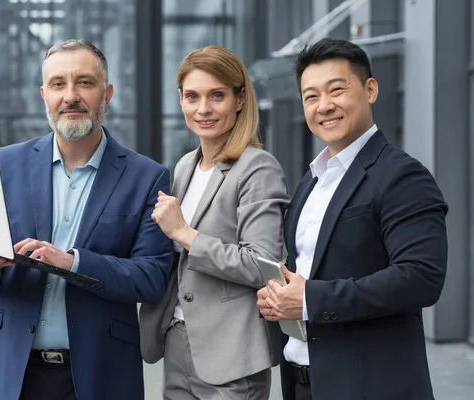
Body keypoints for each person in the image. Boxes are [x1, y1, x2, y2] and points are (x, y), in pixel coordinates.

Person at [0, 39, 172, 400]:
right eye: (58, 84)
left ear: (107, 93)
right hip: (6, 369)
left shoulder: (147, 177)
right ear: (44, 95)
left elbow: (152, 277)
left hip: (100, 373)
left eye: (84, 82)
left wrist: (71, 262)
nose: (71, 96)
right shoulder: (3, 165)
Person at [257, 38, 448, 400]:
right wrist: (280, 297)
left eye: (337, 90)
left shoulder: (401, 176)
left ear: (370, 89)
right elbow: (314, 269)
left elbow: (421, 278)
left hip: (369, 386)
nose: (324, 106)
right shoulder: (312, 181)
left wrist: (311, 298)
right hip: (302, 382)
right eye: (311, 96)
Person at [139, 45, 289, 399]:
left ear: (240, 99)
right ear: (180, 100)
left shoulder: (258, 167)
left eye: (216, 95)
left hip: (231, 355)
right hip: (178, 341)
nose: (203, 108)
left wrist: (183, 233)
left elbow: (260, 263)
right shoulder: (184, 166)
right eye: (192, 96)